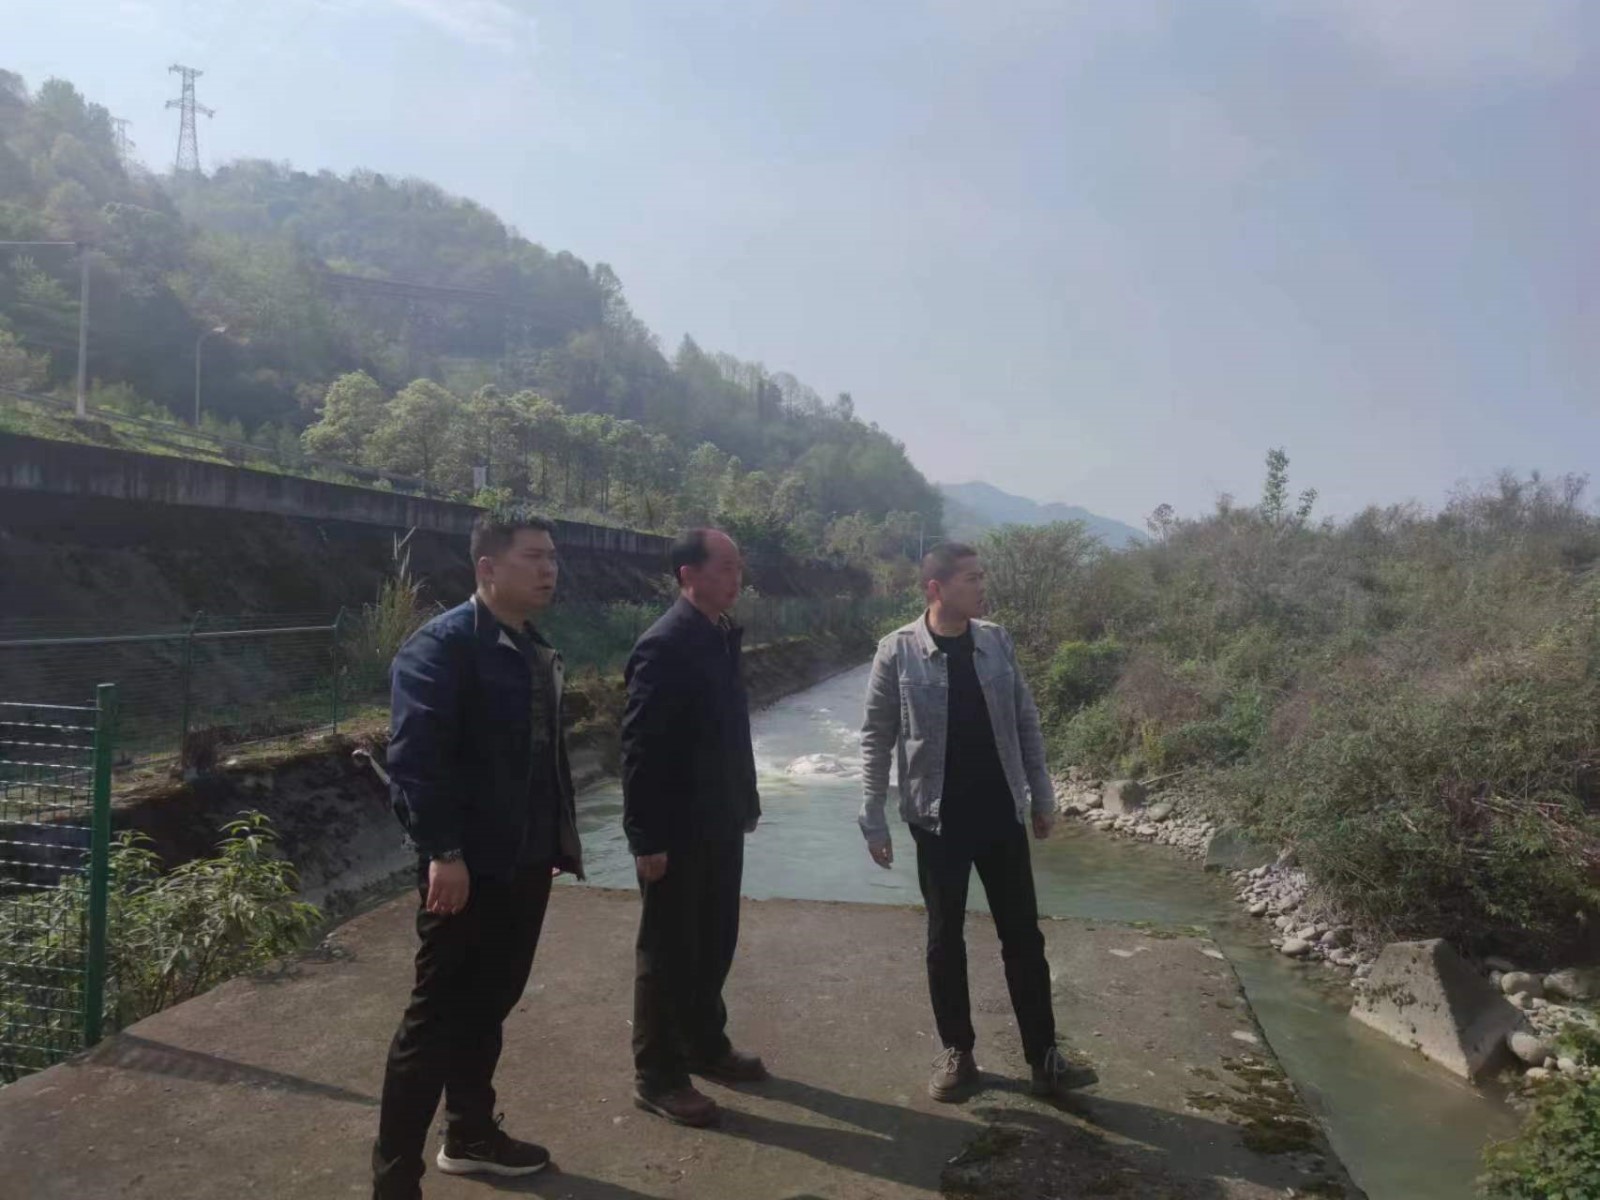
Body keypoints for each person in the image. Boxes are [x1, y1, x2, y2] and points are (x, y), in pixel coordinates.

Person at [372, 509, 584, 1200]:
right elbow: (415, 762)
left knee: (490, 1003)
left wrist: (552, 844)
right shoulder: (441, 648)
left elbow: (538, 760)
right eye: (533, 557)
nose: (548, 569)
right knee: (434, 1017)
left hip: (524, 860)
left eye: (552, 557)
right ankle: (393, 1181)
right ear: (487, 568)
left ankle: (469, 1135)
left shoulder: (531, 646)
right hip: (466, 866)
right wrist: (443, 851)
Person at [859, 542, 1085, 1101]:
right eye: (971, 579)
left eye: (982, 577)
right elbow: (876, 738)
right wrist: (873, 818)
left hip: (1001, 812)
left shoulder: (996, 640)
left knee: (1023, 937)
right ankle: (957, 1052)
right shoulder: (897, 651)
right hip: (936, 821)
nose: (982, 587)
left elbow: (1026, 721)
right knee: (944, 937)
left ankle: (1045, 1056)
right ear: (936, 589)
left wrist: (1042, 796)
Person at [621, 527, 767, 1128]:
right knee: (668, 952)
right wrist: (646, 838)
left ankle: (704, 1043)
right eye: (726, 567)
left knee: (713, 940)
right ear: (689, 575)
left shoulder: (720, 634)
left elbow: (732, 730)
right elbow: (640, 748)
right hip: (676, 829)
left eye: (739, 567)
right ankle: (657, 1076)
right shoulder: (665, 644)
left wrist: (745, 800)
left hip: (719, 818)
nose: (737, 578)